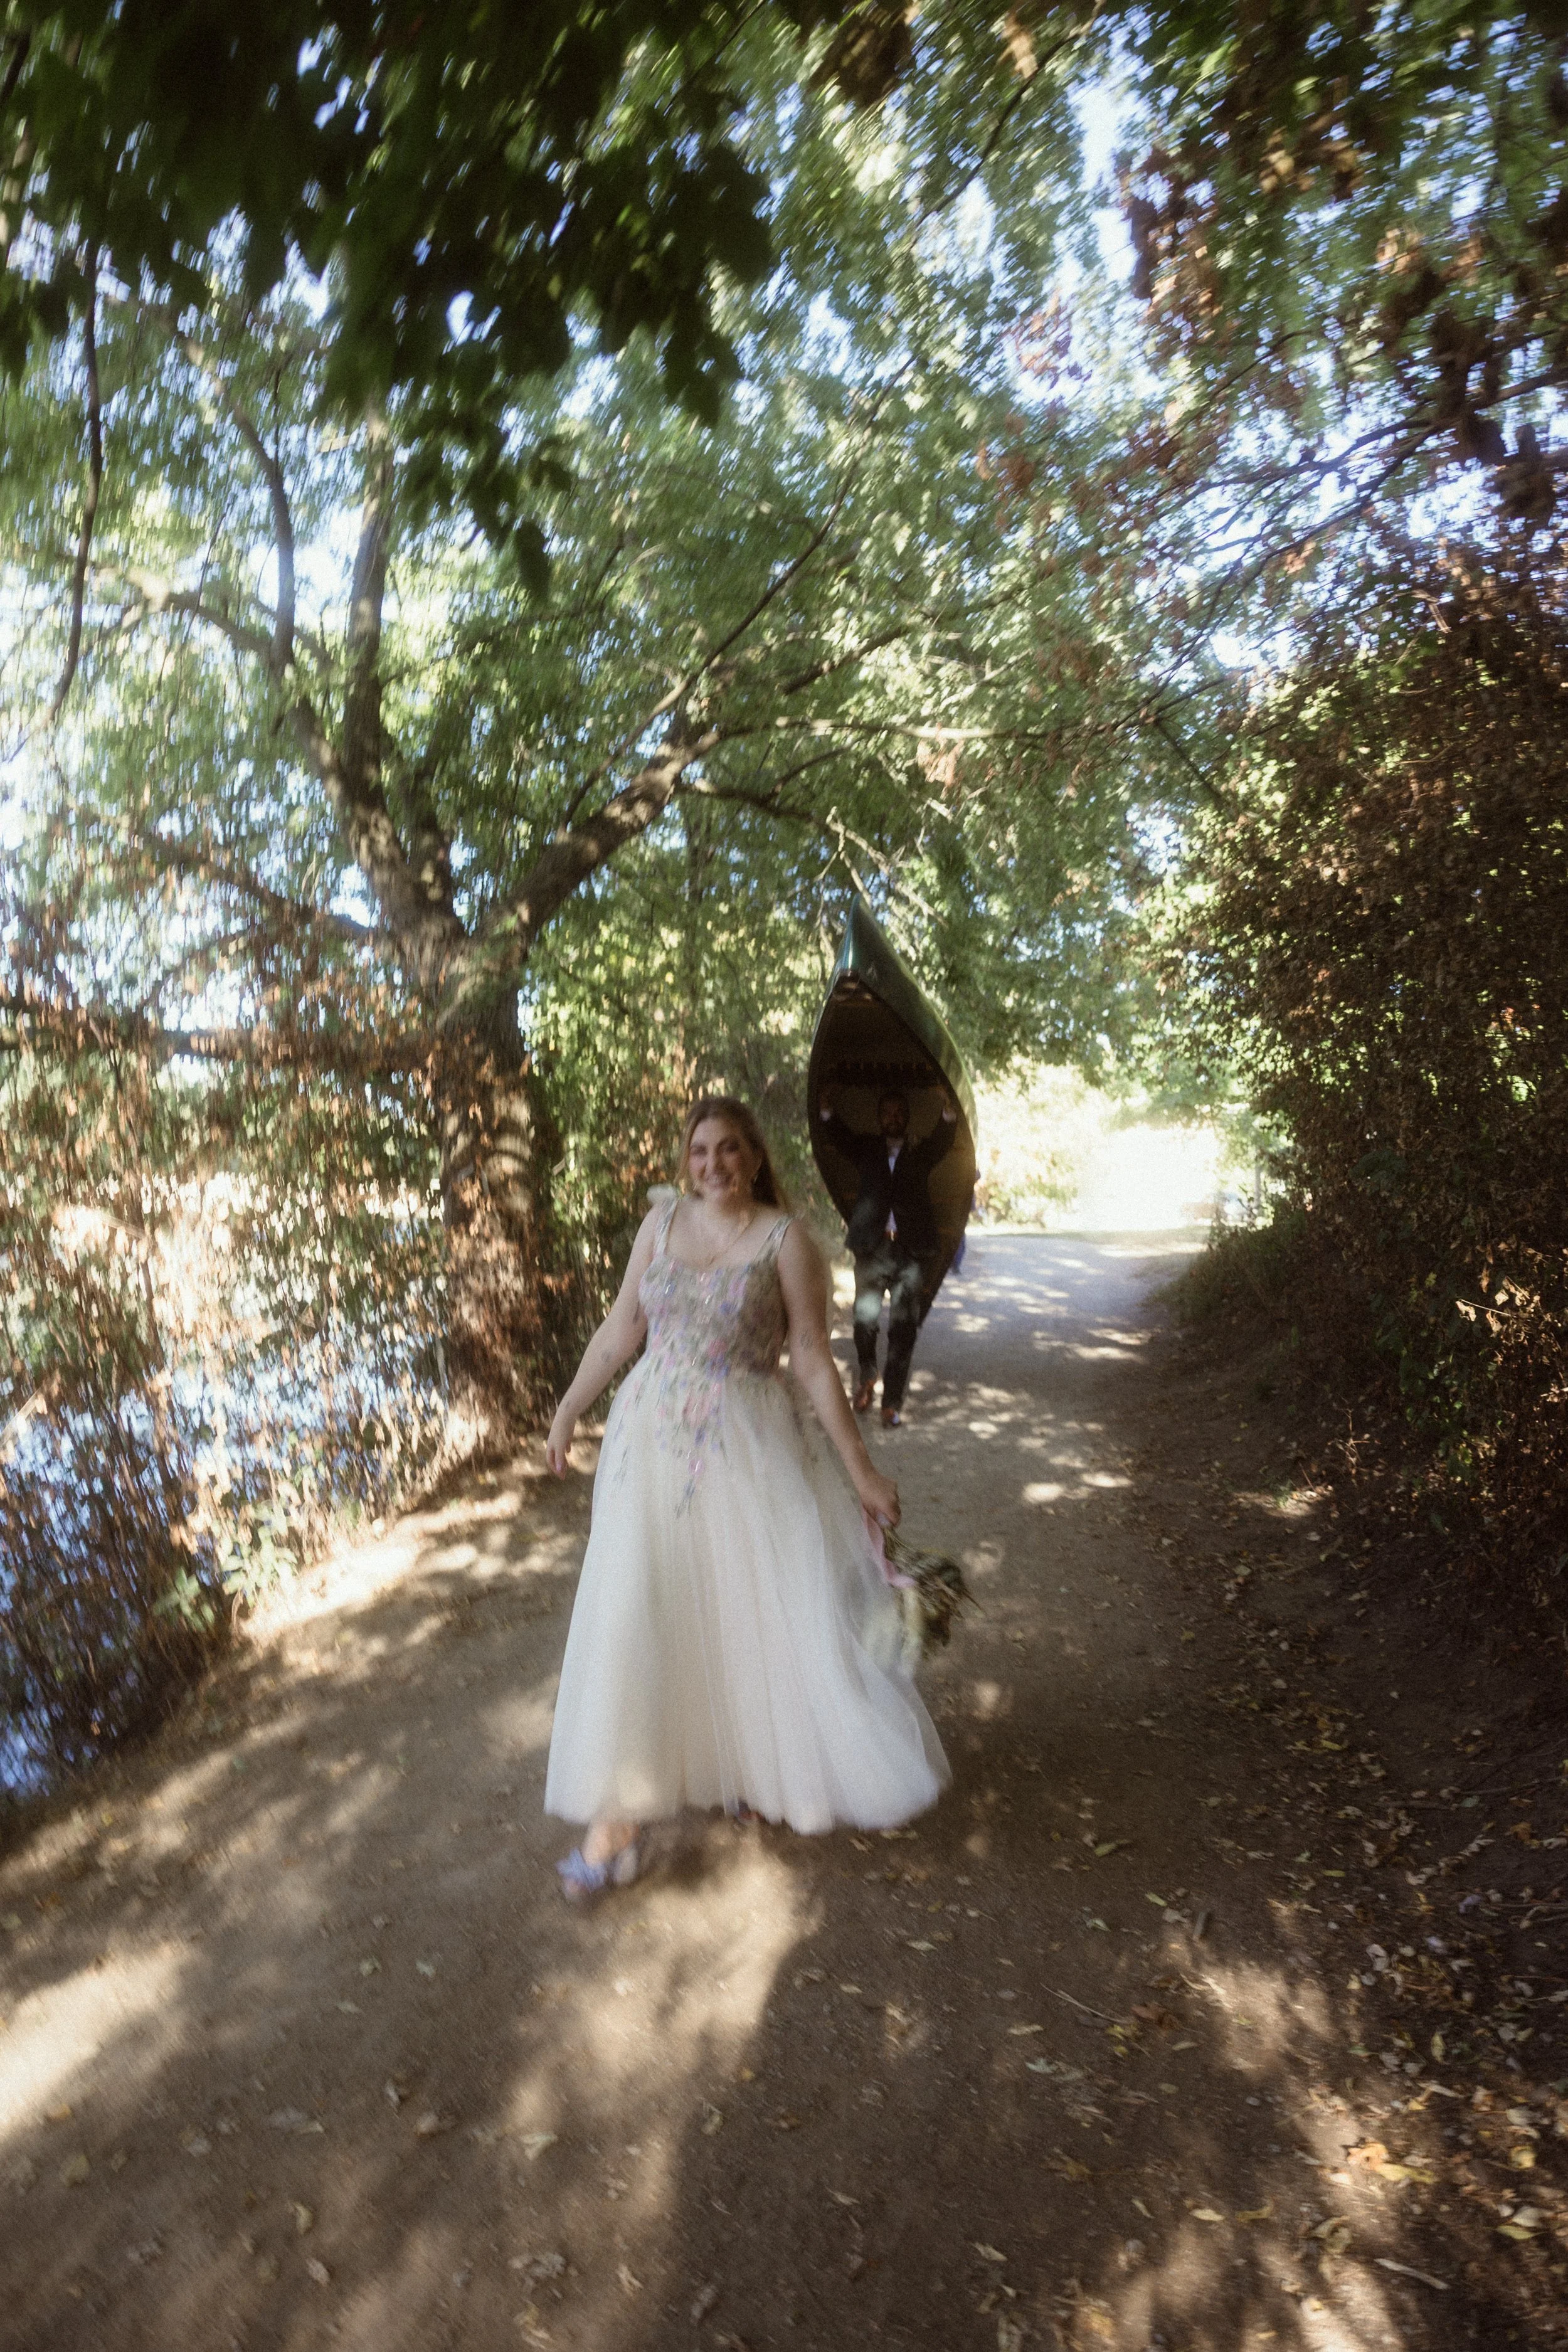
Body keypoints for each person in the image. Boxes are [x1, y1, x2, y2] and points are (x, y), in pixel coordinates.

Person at [542, 1094, 950, 1898]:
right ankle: (614, 1822)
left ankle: (745, 1766)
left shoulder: (785, 1241)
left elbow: (811, 1358)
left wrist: (862, 1472)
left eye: (729, 1148)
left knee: (746, 1609)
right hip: (648, 1449)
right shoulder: (658, 1226)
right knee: (637, 1608)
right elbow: (621, 1331)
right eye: (700, 1151)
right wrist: (566, 1411)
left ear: (755, 1156)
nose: (713, 1165)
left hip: (747, 1449)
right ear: (684, 1160)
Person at [816, 1086, 959, 1427]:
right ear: (879, 1118)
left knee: (903, 1329)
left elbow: (943, 1139)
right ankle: (867, 1374)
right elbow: (838, 1135)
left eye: (899, 1113)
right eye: (887, 1113)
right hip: (872, 1249)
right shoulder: (866, 1148)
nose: (893, 1119)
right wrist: (826, 1108)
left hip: (911, 1254)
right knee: (864, 1321)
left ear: (906, 1118)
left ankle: (892, 1403)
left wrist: (948, 1108)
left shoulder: (920, 1150)